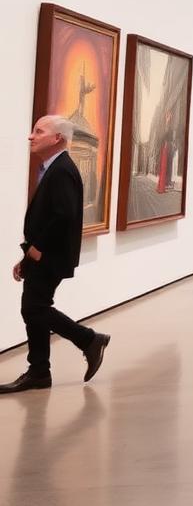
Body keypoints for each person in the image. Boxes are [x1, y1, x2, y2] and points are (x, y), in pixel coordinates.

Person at [1, 116, 111, 394]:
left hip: (49, 256)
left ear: (57, 138)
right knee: (34, 309)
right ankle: (39, 371)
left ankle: (88, 340)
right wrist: (27, 256)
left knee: (33, 308)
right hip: (43, 254)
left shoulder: (61, 169)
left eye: (39, 131)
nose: (31, 136)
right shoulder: (55, 167)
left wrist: (37, 249)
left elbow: (64, 214)